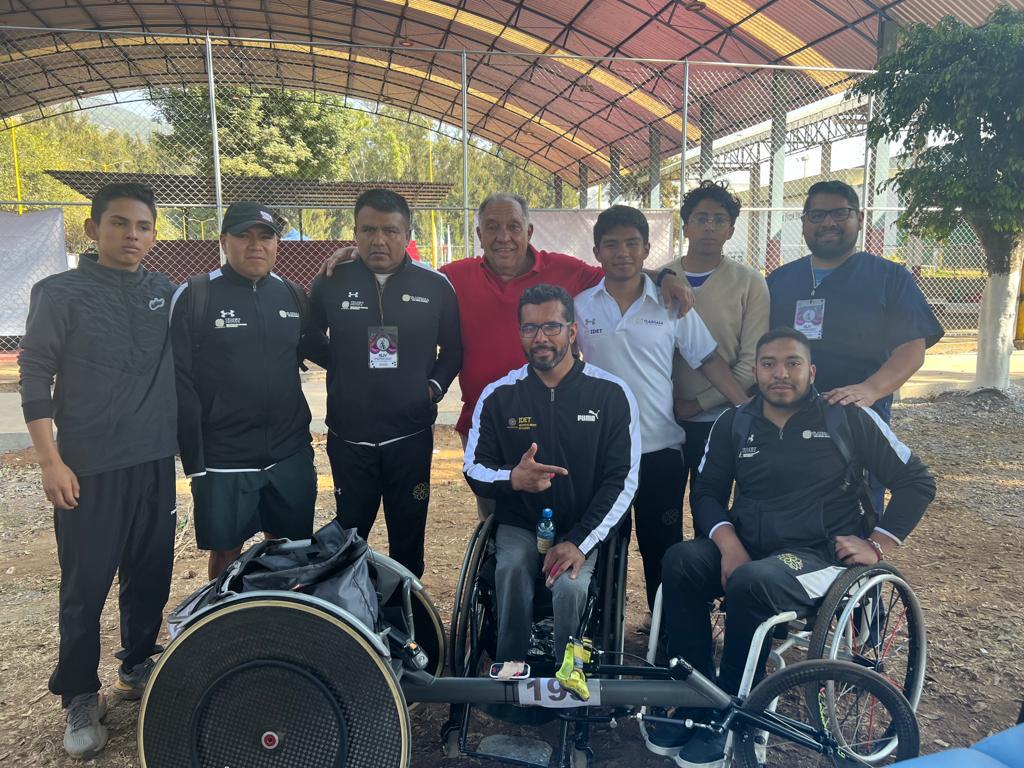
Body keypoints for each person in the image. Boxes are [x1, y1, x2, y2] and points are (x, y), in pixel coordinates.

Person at [652, 328, 936, 767]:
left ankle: (737, 713)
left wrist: (877, 545)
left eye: (792, 363)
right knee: (680, 561)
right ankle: (699, 698)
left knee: (753, 580)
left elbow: (917, 482)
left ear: (812, 372)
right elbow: (706, 493)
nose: (780, 373)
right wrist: (728, 544)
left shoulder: (848, 417)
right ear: (756, 371)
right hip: (748, 547)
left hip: (819, 556)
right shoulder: (735, 422)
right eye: (768, 364)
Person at [325, 192, 694, 519]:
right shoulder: (451, 278)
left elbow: (622, 269)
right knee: (498, 518)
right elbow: (401, 270)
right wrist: (359, 256)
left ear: (528, 231)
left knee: (559, 507)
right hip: (486, 422)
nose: (503, 237)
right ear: (479, 234)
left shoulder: (566, 270)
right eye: (492, 227)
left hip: (555, 419)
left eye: (513, 226)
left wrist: (665, 276)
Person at [18, 183, 178, 759]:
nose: (132, 235)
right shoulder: (59, 293)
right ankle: (80, 694)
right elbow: (34, 375)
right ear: (93, 229)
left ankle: (136, 665)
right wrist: (50, 460)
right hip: (88, 467)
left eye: (143, 226)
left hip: (154, 460)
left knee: (150, 571)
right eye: (119, 223)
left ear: (154, 234)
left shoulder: (164, 292)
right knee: (85, 586)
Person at [574, 205, 749, 627]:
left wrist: (746, 408)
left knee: (662, 546)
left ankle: (669, 635)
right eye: (611, 244)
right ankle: (602, 635)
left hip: (660, 449)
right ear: (597, 252)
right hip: (599, 454)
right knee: (603, 544)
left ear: (646, 249)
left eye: (631, 243)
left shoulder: (672, 305)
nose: (622, 253)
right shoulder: (580, 307)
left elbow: (708, 360)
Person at [464, 284, 640, 677]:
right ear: (520, 333)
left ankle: (569, 676)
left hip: (583, 522)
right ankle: (510, 668)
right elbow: (474, 468)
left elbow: (623, 479)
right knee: (511, 568)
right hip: (521, 522)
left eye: (551, 327)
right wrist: (513, 478)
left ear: (572, 332)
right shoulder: (499, 396)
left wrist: (580, 541)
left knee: (570, 587)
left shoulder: (611, 394)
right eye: (530, 328)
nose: (540, 337)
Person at [307, 189, 462, 577]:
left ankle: (405, 609)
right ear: (355, 234)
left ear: (407, 234)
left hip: (409, 436)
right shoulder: (331, 280)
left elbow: (454, 349)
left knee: (408, 539)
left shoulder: (434, 285)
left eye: (390, 231)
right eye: (368, 230)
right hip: (349, 438)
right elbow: (309, 336)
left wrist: (433, 388)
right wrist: (345, 365)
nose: (379, 240)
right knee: (348, 538)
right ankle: (348, 607)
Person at [170, 201, 326, 580]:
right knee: (226, 553)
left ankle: (280, 610)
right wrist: (194, 458)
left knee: (289, 550)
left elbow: (324, 352)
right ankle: (223, 611)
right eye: (244, 235)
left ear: (276, 244)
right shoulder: (195, 295)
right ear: (224, 241)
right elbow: (177, 382)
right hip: (224, 456)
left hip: (289, 452)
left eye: (266, 237)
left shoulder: (293, 295)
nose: (256, 245)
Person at [662, 181, 769, 512]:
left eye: (719, 219)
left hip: (720, 418)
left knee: (710, 509)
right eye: (701, 218)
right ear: (686, 226)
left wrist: (699, 403)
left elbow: (752, 361)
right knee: (662, 511)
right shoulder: (660, 279)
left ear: (731, 230)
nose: (709, 226)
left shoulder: (749, 282)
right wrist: (675, 404)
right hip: (662, 417)